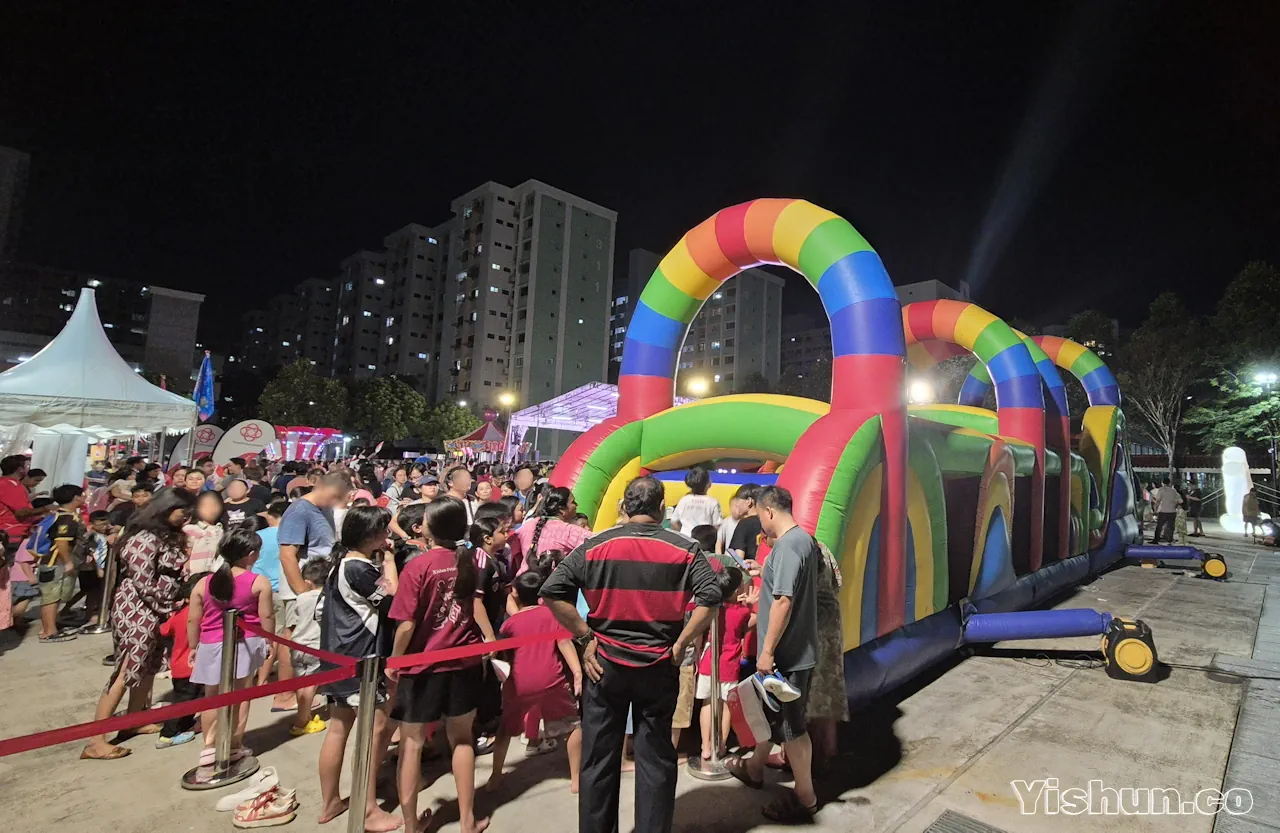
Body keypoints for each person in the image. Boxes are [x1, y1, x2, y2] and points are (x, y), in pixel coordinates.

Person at [541, 475, 721, 833]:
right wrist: (683, 640)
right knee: (655, 760)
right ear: (661, 509)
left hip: (603, 667)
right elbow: (711, 597)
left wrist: (585, 636)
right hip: (659, 667)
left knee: (598, 761)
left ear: (624, 506)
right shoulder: (684, 549)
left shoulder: (595, 545)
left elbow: (552, 590)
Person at [388, 496, 488, 833]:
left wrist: (395, 661)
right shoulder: (467, 560)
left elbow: (406, 624)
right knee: (462, 739)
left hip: (422, 667)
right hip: (463, 661)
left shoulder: (418, 566)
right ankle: (467, 820)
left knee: (411, 744)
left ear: (432, 526)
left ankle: (411, 824)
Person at [725, 486, 821, 822]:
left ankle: (805, 798)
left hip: (788, 656)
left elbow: (784, 600)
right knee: (773, 719)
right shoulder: (802, 542)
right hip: (795, 650)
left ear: (768, 512)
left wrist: (766, 651)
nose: (760, 528)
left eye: (759, 519)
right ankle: (753, 768)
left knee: (793, 729)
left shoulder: (790, 547)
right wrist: (763, 574)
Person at [83, 488, 195, 759]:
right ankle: (96, 739)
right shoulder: (143, 539)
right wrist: (170, 606)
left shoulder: (167, 536)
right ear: (168, 508)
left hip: (157, 610)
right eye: (184, 511)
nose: (187, 517)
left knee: (148, 666)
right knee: (126, 669)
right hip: (136, 609)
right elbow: (143, 582)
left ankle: (134, 719)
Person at [316, 505, 401, 831]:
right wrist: (391, 562)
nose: (388, 534)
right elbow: (392, 600)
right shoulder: (359, 569)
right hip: (362, 660)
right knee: (371, 734)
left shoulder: (342, 562)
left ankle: (331, 802)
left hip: (338, 656)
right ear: (370, 535)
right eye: (383, 530)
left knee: (339, 729)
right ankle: (367, 810)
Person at [485, 570, 584, 794]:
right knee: (572, 725)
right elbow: (564, 644)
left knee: (505, 730)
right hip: (552, 679)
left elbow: (505, 655)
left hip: (521, 683)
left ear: (517, 594)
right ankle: (576, 779)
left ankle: (495, 776)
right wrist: (577, 672)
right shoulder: (552, 615)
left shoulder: (510, 624)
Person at [188, 526, 273, 766]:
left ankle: (209, 745)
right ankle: (234, 743)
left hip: (210, 643)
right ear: (250, 554)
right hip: (246, 642)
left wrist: (193, 646)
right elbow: (266, 616)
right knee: (241, 695)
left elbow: (194, 618)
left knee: (212, 697)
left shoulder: (204, 583)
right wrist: (269, 639)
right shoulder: (258, 582)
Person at [696, 565, 747, 764]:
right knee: (727, 706)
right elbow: (750, 624)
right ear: (735, 591)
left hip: (709, 662)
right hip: (729, 666)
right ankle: (722, 744)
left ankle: (705, 746)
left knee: (707, 703)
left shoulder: (712, 609)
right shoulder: (741, 612)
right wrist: (749, 605)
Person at [805, 541, 848, 767]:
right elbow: (838, 582)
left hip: (813, 624)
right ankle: (831, 748)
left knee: (813, 692)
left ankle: (815, 756)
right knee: (830, 687)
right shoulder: (822, 546)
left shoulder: (796, 549)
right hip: (832, 620)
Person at [155, 573, 204, 749]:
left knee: (187, 700)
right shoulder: (201, 616)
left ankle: (184, 725)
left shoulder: (179, 614)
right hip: (191, 667)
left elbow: (164, 630)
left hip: (178, 667)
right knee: (185, 702)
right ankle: (167, 734)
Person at [36, 485, 87, 642]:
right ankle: (49, 632)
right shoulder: (67, 518)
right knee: (51, 597)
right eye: (82, 495)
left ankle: (48, 628)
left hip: (50, 562)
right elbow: (61, 542)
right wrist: (68, 562)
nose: (84, 497)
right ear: (76, 498)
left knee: (51, 597)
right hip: (56, 563)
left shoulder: (57, 514)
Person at [285, 558, 329, 737]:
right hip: (315, 645)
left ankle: (303, 714)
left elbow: (295, 618)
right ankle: (302, 720)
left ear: (307, 582)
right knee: (311, 684)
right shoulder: (326, 599)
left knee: (300, 683)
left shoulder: (301, 598)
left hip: (297, 644)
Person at [514, 486, 588, 575]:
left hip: (522, 582)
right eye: (573, 502)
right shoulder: (568, 531)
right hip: (549, 584)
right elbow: (599, 543)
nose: (576, 505)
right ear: (562, 510)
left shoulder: (527, 525)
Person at [0, 455, 52, 545]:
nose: (29, 468)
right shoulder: (10, 485)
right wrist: (46, 508)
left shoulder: (11, 484)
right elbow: (21, 512)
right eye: (28, 466)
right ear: (20, 469)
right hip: (10, 534)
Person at [669, 466, 722, 533]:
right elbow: (717, 525)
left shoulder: (684, 500)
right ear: (708, 483)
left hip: (685, 540)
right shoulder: (712, 502)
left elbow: (674, 522)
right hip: (704, 540)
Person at [184, 490, 225, 575]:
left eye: (215, 505)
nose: (211, 509)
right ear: (197, 508)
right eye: (205, 505)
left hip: (213, 577)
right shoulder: (189, 530)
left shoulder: (222, 531)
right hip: (192, 576)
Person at [728, 484, 764, 569]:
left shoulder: (744, 524)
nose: (737, 505)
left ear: (749, 501)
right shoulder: (766, 521)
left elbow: (739, 558)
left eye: (738, 501)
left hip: (750, 573)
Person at [1151, 478, 1182, 545]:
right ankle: (1170, 539)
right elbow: (1180, 501)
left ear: (1162, 483)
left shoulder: (1161, 490)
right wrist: (1174, 505)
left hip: (1163, 511)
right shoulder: (1173, 491)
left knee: (1159, 526)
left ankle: (1156, 540)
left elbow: (1158, 500)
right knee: (1170, 526)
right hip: (1172, 511)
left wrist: (1155, 510)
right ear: (1169, 483)